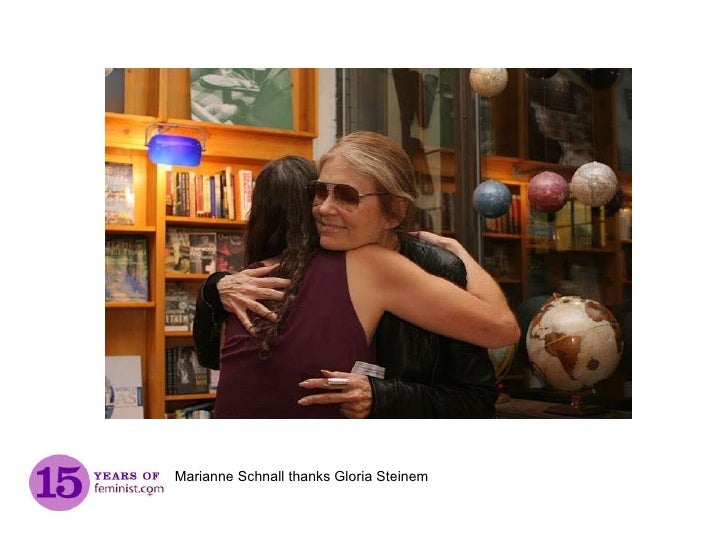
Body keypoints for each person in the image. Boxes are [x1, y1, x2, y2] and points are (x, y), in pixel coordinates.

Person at [195, 133, 520, 418]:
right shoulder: (289, 270)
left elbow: (483, 379)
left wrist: (383, 397)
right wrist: (214, 289)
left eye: (347, 196)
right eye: (320, 192)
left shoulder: (431, 267)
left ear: (395, 212)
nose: (323, 208)